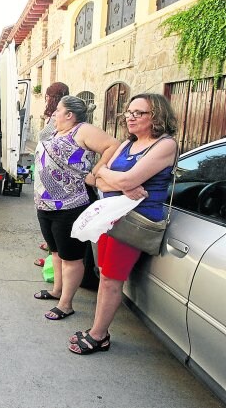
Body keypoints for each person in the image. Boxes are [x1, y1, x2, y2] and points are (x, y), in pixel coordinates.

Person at [68, 93, 178, 354]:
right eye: (129, 112)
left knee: (110, 280)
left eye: (139, 112)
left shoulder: (164, 145)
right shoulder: (127, 144)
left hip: (135, 221)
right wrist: (117, 180)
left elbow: (119, 179)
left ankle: (98, 335)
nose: (130, 116)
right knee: (103, 274)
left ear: (157, 116)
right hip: (111, 217)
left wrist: (112, 177)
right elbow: (93, 178)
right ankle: (99, 329)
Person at [32, 95, 119, 321]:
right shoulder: (53, 131)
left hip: (72, 203)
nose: (54, 114)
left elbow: (113, 145)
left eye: (58, 110)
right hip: (46, 202)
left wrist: (96, 172)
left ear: (70, 114)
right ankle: (56, 290)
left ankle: (66, 304)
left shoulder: (83, 130)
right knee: (56, 252)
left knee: (71, 257)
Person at [34, 82, 69, 266]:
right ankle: (51, 253)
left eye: (47, 95)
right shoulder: (57, 115)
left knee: (52, 218)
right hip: (48, 169)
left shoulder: (57, 115)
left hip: (53, 172)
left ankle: (51, 256)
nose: (46, 98)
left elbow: (43, 136)